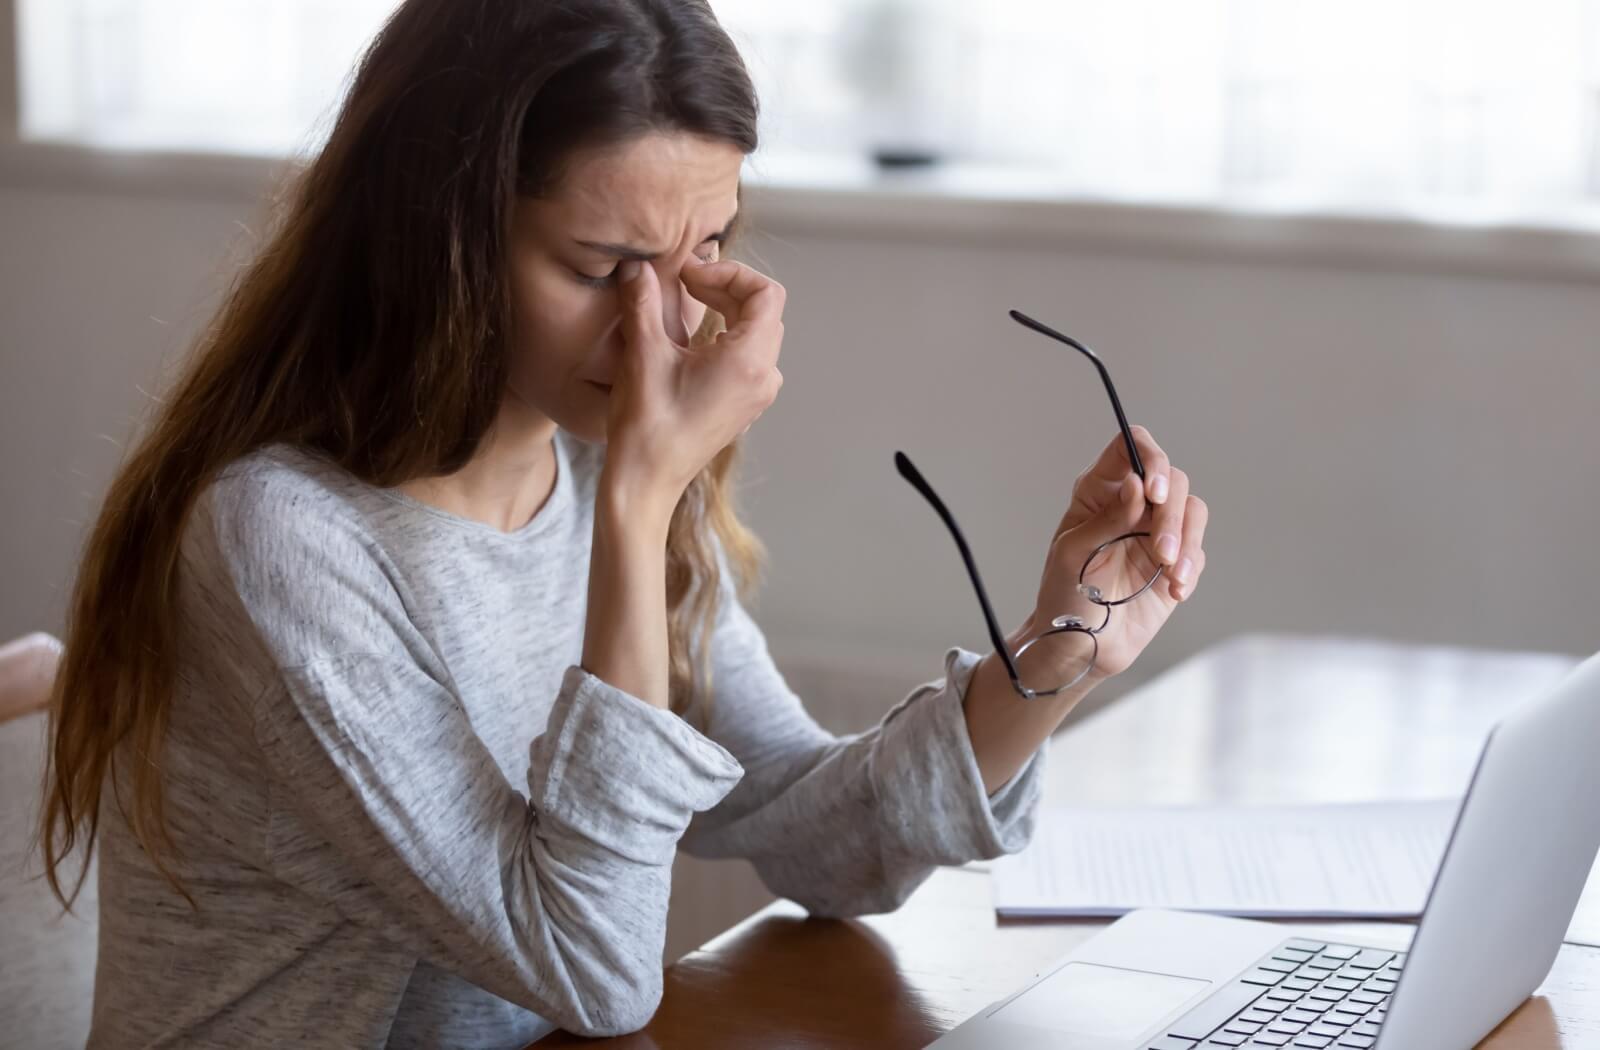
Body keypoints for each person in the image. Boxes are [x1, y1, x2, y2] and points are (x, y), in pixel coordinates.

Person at [38, 1, 1208, 1046]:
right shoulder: (281, 542)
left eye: (702, 251)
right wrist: (645, 502)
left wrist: (1062, 644)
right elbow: (592, 974)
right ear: (438, 240)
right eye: (601, 268)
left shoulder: (595, 473)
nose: (660, 330)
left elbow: (810, 833)